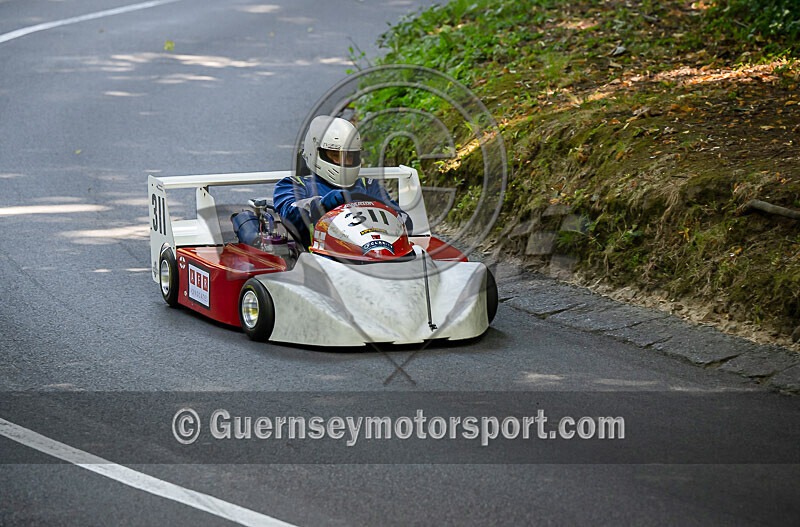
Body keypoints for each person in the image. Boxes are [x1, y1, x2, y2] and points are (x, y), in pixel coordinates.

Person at [273, 115, 411, 248]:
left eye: (349, 156)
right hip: (320, 260)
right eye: (335, 155)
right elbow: (290, 213)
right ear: (315, 153)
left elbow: (404, 221)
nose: (344, 162)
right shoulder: (294, 185)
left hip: (373, 254)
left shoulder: (368, 186)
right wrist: (321, 204)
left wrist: (377, 206)